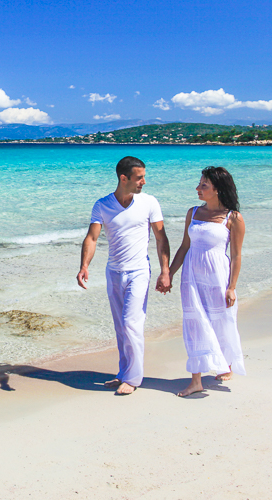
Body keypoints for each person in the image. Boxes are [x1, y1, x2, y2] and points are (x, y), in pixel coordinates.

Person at [77, 156, 170, 395]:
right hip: (114, 272)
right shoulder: (102, 205)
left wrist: (165, 271)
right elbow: (92, 238)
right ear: (123, 178)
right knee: (121, 326)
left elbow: (161, 238)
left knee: (132, 323)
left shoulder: (149, 202)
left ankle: (134, 378)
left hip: (139, 270)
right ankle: (123, 373)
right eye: (139, 178)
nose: (144, 182)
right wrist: (84, 265)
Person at [169, 166, 246, 397]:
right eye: (200, 183)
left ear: (218, 189)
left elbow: (236, 256)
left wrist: (232, 287)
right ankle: (196, 380)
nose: (198, 188)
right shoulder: (193, 212)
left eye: (204, 185)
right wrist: (169, 273)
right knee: (195, 323)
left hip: (217, 278)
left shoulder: (233, 218)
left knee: (221, 321)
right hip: (191, 277)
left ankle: (226, 364)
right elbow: (185, 246)